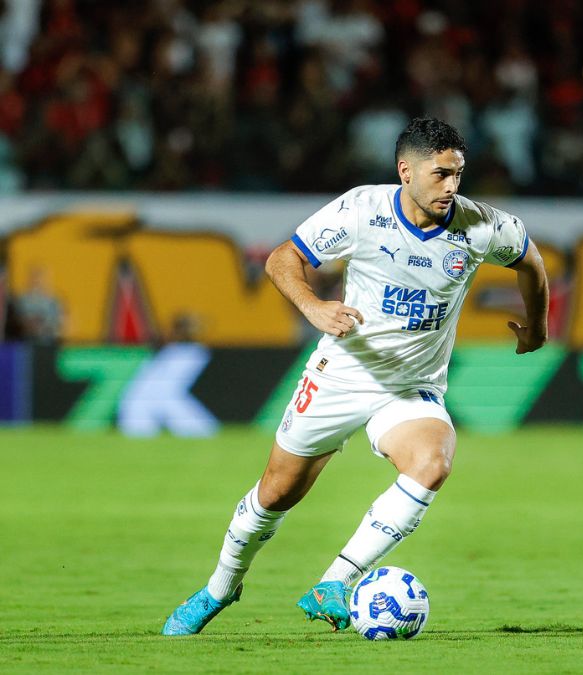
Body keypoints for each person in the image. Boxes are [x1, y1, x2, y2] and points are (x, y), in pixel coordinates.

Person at [162, 117, 549, 635]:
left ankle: (336, 581)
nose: (452, 186)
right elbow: (283, 260)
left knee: (432, 463)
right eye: (440, 174)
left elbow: (532, 263)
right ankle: (220, 587)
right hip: (343, 373)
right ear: (404, 170)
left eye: (458, 174)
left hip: (412, 387)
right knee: (277, 492)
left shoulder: (481, 226)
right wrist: (314, 307)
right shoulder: (362, 210)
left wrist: (538, 328)